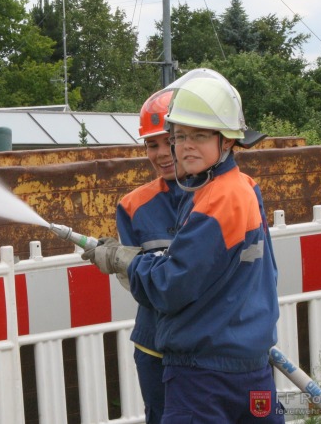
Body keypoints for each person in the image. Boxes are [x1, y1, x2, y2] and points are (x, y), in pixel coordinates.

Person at [85, 69, 282, 422]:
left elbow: (171, 284)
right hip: (218, 352)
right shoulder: (220, 189)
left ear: (227, 141)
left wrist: (122, 259)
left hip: (204, 363)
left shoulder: (217, 197)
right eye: (176, 137)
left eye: (197, 136)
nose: (175, 149)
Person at [83, 87, 185, 424]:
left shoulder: (218, 196)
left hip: (206, 348)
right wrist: (122, 261)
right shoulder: (133, 206)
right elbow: (140, 284)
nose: (161, 153)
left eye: (169, 140)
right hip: (155, 346)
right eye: (151, 144)